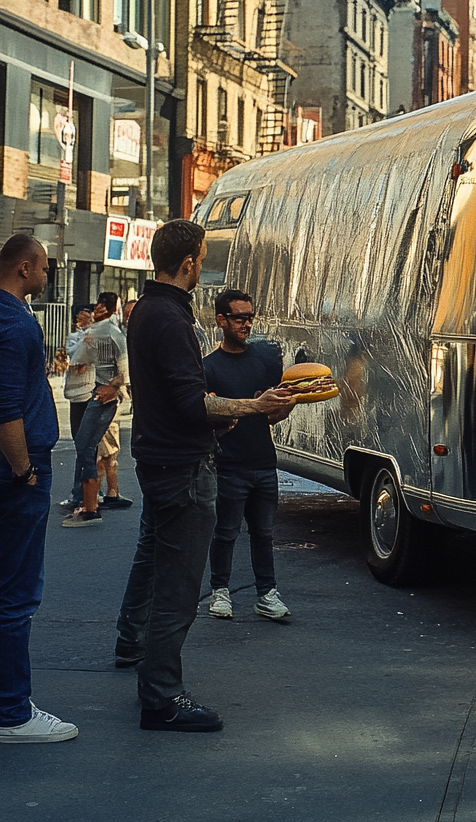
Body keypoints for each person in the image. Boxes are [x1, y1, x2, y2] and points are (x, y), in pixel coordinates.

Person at [113, 219, 294, 733]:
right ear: (189, 261)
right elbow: (193, 403)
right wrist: (254, 405)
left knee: (153, 556)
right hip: (182, 466)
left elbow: (181, 401)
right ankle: (162, 697)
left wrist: (229, 410)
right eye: (202, 258)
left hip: (161, 457)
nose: (203, 267)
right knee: (178, 584)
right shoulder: (170, 320)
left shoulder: (150, 310)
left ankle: (133, 645)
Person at [0, 234, 78, 743]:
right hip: (16, 474)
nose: (48, 276)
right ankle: (12, 713)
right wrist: (26, 471)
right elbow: (7, 411)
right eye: (46, 268)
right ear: (25, 269)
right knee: (17, 593)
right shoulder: (13, 324)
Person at [204, 289, 296, 621]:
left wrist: (281, 409)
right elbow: (205, 415)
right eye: (240, 318)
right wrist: (220, 425)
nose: (247, 324)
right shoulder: (209, 367)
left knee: (264, 533)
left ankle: (266, 593)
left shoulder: (264, 360)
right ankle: (220, 592)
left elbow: (280, 404)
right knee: (226, 532)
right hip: (229, 463)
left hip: (263, 461)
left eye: (250, 317)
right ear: (221, 320)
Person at [62, 291, 129, 527]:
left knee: (87, 447)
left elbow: (123, 366)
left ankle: (90, 508)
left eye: (101, 306)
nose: (95, 310)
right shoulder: (96, 331)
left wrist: (113, 387)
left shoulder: (110, 332)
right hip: (89, 394)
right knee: (84, 447)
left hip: (101, 397)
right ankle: (85, 503)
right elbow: (74, 357)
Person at [90, 294, 132, 511]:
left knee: (103, 448)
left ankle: (105, 493)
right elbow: (123, 371)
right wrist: (116, 387)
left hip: (94, 395)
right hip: (107, 397)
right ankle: (100, 495)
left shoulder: (92, 333)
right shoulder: (113, 334)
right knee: (106, 449)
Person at [58, 304, 95, 510]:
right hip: (75, 395)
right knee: (81, 445)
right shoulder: (73, 337)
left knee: (86, 446)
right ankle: (84, 492)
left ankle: (83, 494)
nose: (86, 317)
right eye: (82, 315)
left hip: (90, 392)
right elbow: (71, 360)